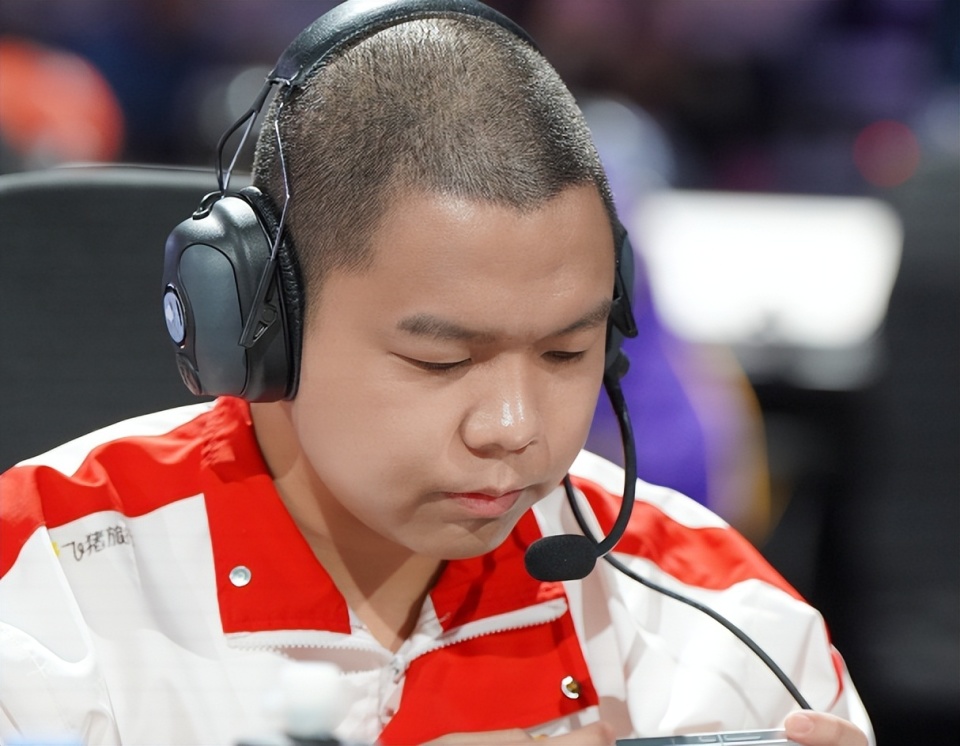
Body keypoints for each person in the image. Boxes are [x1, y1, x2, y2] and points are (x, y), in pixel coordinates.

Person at [0, 1, 872, 744]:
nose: (515, 427)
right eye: (442, 360)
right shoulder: (42, 594)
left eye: (567, 353)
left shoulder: (724, 622)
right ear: (261, 329)